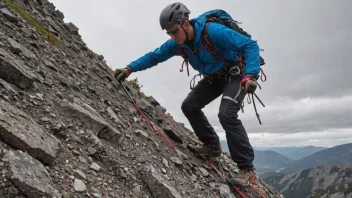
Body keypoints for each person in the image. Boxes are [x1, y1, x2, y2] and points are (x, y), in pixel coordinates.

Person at [114, 2, 260, 187]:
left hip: (236, 74)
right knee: (189, 106)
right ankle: (212, 145)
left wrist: (251, 74)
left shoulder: (212, 32)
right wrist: (129, 69)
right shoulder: (177, 43)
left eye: (174, 31)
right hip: (215, 77)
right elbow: (154, 56)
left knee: (226, 114)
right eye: (169, 34)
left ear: (185, 22)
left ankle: (247, 169)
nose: (173, 37)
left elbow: (250, 45)